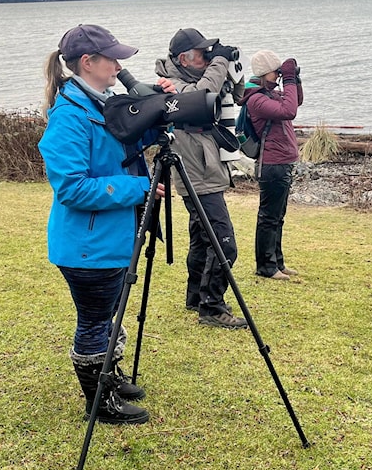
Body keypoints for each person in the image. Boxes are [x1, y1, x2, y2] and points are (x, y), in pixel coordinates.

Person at [38, 24, 159, 425]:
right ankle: (98, 401)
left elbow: (129, 142)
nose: (119, 65)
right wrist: (138, 188)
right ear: (88, 63)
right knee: (93, 321)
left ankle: (108, 375)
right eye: (112, 58)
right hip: (87, 245)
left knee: (106, 315)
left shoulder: (103, 104)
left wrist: (161, 109)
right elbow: (72, 188)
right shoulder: (69, 118)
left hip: (110, 236)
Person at [154, 28, 248, 329]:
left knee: (200, 237)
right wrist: (219, 62)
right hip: (196, 171)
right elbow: (201, 98)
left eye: (210, 54)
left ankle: (197, 297)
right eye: (202, 55)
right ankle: (212, 307)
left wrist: (233, 67)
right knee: (222, 242)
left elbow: (238, 95)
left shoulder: (195, 78)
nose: (208, 59)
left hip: (204, 168)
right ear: (183, 58)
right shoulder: (172, 86)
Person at [243, 50, 304, 281]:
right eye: (276, 71)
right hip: (272, 163)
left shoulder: (271, 94)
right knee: (269, 216)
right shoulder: (257, 99)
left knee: (278, 216)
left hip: (282, 161)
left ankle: (276, 262)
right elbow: (289, 111)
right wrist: (288, 79)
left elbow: (296, 101)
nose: (279, 75)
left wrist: (294, 79)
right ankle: (266, 266)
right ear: (264, 72)